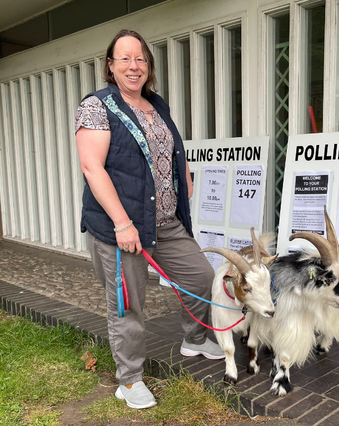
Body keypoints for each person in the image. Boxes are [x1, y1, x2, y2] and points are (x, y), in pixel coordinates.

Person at [75, 29, 223, 410]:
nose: (133, 66)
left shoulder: (156, 105)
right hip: (120, 228)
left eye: (140, 58)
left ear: (148, 66)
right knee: (129, 305)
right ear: (110, 65)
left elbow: (171, 147)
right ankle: (129, 380)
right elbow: (93, 168)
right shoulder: (96, 106)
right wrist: (123, 224)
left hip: (167, 221)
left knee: (201, 276)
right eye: (124, 58)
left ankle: (194, 338)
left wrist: (184, 174)